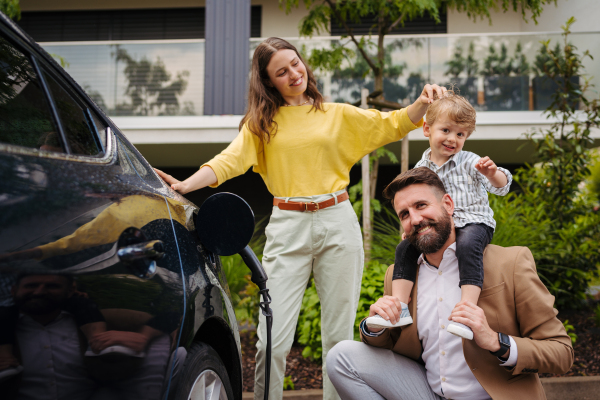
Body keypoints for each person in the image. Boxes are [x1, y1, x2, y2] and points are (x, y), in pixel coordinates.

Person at [154, 36, 446, 400]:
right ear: (269, 82)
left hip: (337, 220)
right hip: (288, 225)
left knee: (338, 339)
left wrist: (423, 101)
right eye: (281, 71)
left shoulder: (337, 114)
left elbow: (393, 123)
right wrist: (185, 185)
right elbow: (226, 162)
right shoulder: (262, 124)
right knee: (271, 341)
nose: (294, 74)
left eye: (295, 64)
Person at [327, 167, 574, 400]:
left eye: (421, 205)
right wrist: (376, 326)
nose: (415, 219)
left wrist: (495, 341)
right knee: (341, 357)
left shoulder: (510, 263)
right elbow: (390, 345)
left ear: (448, 204)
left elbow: (561, 352)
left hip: (493, 395)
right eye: (405, 214)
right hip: (427, 392)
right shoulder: (399, 276)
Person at [366, 91, 512, 341]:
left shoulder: (469, 162)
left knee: (467, 246)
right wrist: (412, 224)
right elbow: (413, 204)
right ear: (427, 129)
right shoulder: (421, 169)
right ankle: (400, 305)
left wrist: (491, 173)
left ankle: (467, 310)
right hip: (438, 227)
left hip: (473, 222)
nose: (452, 139)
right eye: (446, 130)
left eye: (460, 134)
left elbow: (502, 186)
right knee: (404, 249)